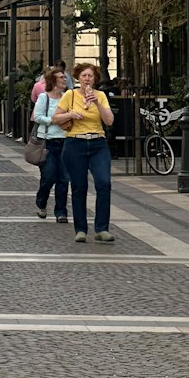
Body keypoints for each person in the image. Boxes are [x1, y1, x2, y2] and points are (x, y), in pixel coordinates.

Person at [54, 61, 114, 243]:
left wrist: (97, 103)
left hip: (97, 143)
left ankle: (102, 228)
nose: (87, 79)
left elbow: (109, 121)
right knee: (79, 187)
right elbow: (55, 118)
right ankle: (80, 229)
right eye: (84, 76)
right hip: (75, 144)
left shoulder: (101, 96)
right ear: (78, 78)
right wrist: (70, 115)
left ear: (95, 79)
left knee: (104, 183)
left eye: (90, 76)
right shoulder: (70, 95)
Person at [32, 66, 69, 222]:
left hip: (65, 141)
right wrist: (52, 120)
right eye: (61, 77)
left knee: (63, 178)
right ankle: (41, 202)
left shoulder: (67, 97)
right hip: (47, 142)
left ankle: (61, 212)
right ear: (53, 81)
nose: (65, 79)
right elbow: (37, 116)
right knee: (48, 177)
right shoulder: (44, 98)